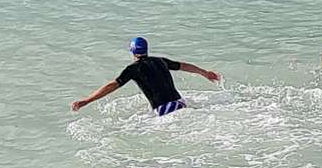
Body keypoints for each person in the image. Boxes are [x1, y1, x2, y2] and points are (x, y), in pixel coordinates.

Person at [70, 37, 220, 117]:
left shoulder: (132, 69)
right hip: (180, 103)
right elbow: (184, 66)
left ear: (132, 51)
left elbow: (112, 86)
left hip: (165, 111)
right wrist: (205, 73)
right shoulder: (161, 61)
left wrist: (87, 100)